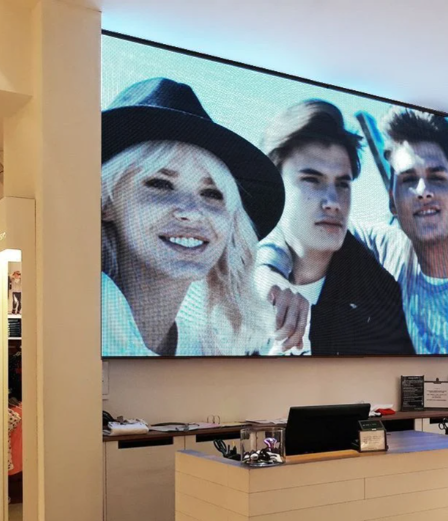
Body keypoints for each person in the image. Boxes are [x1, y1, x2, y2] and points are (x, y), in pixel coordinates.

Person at [258, 107, 448, 355]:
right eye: (409, 179)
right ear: (393, 202)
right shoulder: (383, 246)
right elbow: (295, 226)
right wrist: (268, 273)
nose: (423, 190)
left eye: (437, 177)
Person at [101, 77, 304, 357]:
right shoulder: (76, 321)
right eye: (160, 184)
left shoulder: (206, 344)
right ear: (106, 203)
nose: (192, 212)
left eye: (213, 193)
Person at [257, 100, 413, 356]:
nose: (333, 203)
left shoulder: (380, 302)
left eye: (342, 184)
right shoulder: (229, 263)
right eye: (312, 179)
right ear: (273, 185)